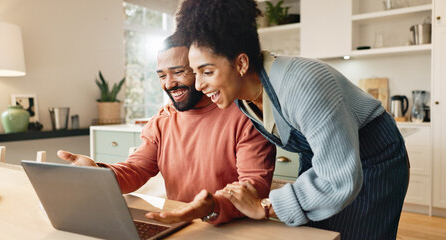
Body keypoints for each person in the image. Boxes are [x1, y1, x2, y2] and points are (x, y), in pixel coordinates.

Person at [173, 0, 410, 239]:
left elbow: (339, 178)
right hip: (322, 160)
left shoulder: (302, 85)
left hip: (373, 157)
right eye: (195, 73)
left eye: (207, 72)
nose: (199, 85)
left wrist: (264, 207)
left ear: (241, 64)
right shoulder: (242, 96)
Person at [57, 34, 275, 225]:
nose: (169, 84)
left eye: (178, 72)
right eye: (162, 75)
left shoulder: (247, 115)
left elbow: (254, 187)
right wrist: (98, 172)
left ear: (201, 69)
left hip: (233, 229)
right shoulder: (163, 120)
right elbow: (136, 169)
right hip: (178, 224)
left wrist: (212, 206)